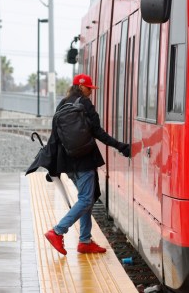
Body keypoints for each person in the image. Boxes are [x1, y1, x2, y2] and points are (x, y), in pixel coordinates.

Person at [43, 73, 131, 255]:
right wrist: (121, 146)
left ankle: (85, 241)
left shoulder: (62, 104)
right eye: (89, 88)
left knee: (86, 199)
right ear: (82, 87)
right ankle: (57, 231)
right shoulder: (85, 105)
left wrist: (53, 166)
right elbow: (98, 132)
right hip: (84, 160)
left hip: (68, 163)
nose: (91, 92)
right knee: (85, 200)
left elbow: (55, 137)